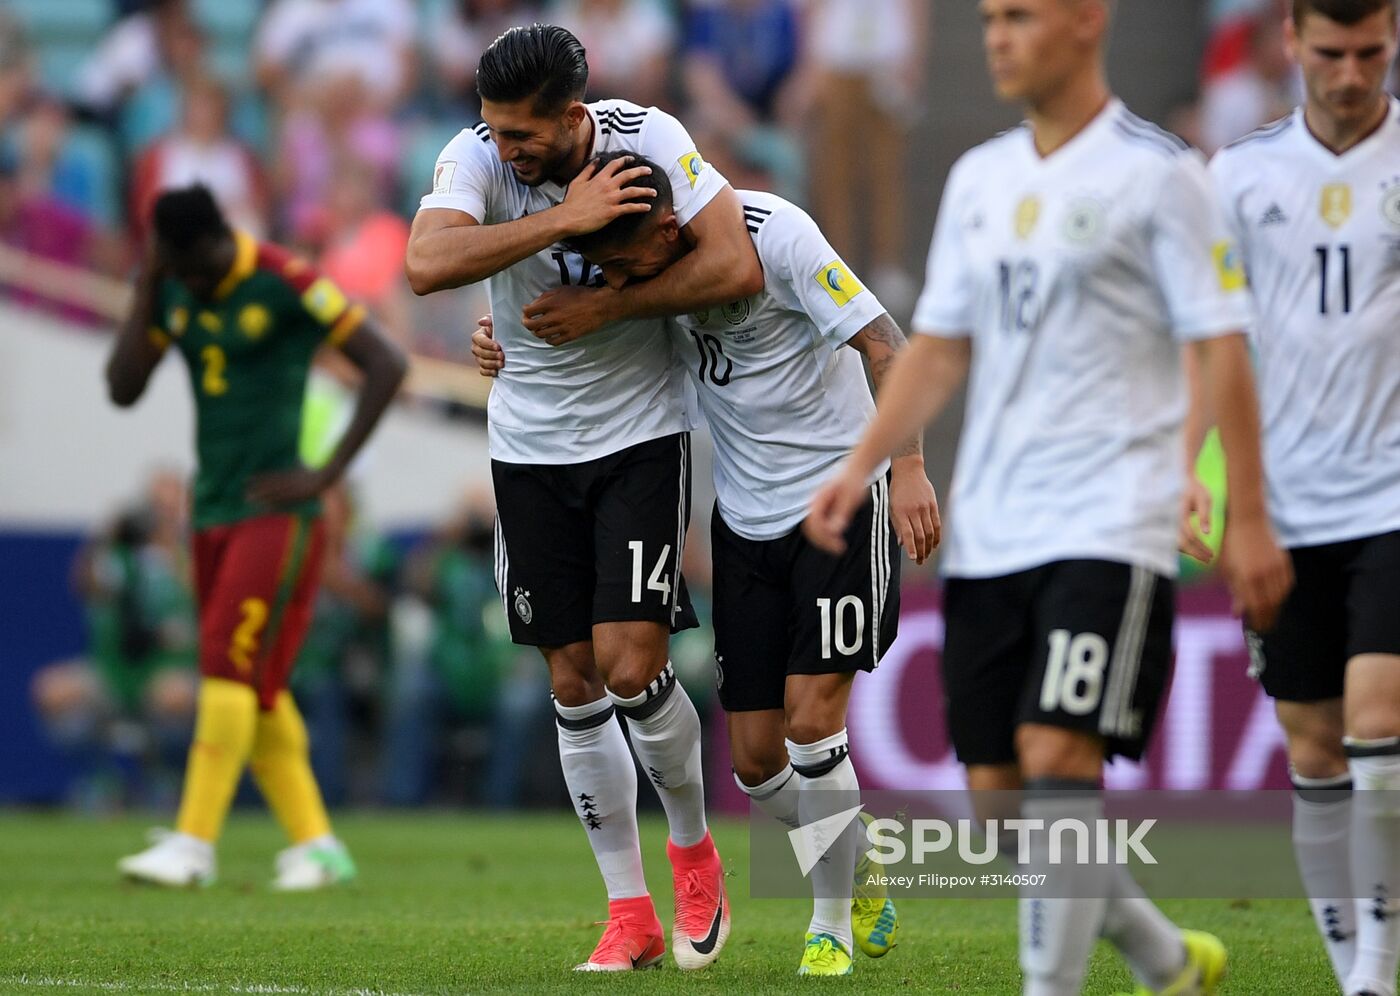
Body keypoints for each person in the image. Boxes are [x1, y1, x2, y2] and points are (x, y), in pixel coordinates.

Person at [804, 1, 1294, 994]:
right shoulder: (978, 179)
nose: (994, 36)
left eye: (1017, 16)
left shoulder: (1158, 176)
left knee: (1054, 754)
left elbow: (1219, 346)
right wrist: (861, 463)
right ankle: (1163, 959)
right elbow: (938, 348)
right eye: (987, 18)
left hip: (1112, 522)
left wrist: (1239, 511)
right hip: (996, 531)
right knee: (997, 809)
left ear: (1082, 20)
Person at [472, 149, 939, 975]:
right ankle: (857, 857)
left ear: (669, 223)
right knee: (756, 766)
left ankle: (829, 916)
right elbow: (599, 356)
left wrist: (906, 469)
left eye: (630, 261)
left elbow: (887, 344)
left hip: (838, 506)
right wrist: (501, 343)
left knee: (809, 722)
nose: (623, 279)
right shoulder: (651, 287)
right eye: (610, 269)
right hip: (744, 527)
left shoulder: (779, 235)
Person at [405, 24, 763, 972]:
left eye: (522, 136)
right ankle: (627, 911)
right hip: (527, 449)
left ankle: (693, 852)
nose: (504, 150)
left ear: (571, 117)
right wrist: (562, 220)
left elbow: (734, 265)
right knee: (571, 681)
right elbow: (426, 265)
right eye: (493, 133)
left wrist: (608, 305)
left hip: (640, 435)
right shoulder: (476, 154)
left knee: (633, 666)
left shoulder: (650, 138)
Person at [106, 184, 406, 890]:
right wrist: (148, 283)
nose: (190, 284)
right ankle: (318, 846)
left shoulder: (282, 279)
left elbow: (386, 363)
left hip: (276, 511)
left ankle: (192, 843)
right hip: (209, 508)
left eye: (188, 270)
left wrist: (326, 473)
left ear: (216, 243)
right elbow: (122, 388)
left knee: (224, 664)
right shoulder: (174, 285)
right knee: (257, 687)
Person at [1207, 3, 1400, 994]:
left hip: (1389, 497)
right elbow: (1207, 344)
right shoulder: (1237, 178)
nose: (1348, 74)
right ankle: (1350, 973)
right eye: (1329, 53)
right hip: (1282, 504)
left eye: (1369, 52)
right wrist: (1204, 484)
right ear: (1289, 41)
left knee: (1378, 721)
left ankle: (1376, 970)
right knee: (1312, 744)